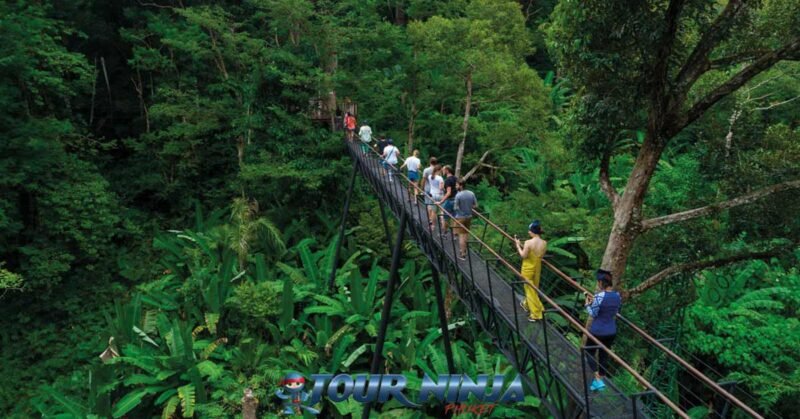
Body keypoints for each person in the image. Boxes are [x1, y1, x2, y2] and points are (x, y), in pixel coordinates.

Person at [584, 269, 622, 392]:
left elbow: (593, 313)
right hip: (611, 331)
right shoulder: (617, 296)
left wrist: (587, 304)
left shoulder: (599, 296)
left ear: (601, 282)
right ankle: (600, 380)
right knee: (603, 355)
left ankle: (597, 379)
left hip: (598, 331)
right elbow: (614, 311)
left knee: (589, 352)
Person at [514, 221, 547, 322]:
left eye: (529, 231)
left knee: (529, 290)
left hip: (527, 269)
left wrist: (518, 246)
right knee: (533, 289)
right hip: (537, 268)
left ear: (533, 232)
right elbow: (539, 255)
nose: (528, 232)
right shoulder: (544, 243)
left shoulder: (528, 242)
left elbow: (524, 255)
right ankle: (526, 304)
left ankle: (536, 314)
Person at [452, 178, 477, 260]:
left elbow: (455, 207)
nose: (456, 186)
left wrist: (461, 210)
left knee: (461, 236)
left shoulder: (458, 195)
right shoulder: (471, 193)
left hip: (460, 217)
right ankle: (464, 250)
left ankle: (462, 254)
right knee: (466, 234)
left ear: (461, 185)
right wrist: (468, 207)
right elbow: (475, 205)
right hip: (469, 217)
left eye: (457, 185)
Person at [437, 166, 457, 236]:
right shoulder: (455, 178)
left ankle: (444, 233)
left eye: (443, 170)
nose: (442, 171)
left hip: (449, 200)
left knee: (445, 217)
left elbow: (449, 193)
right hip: (456, 200)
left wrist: (441, 201)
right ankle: (454, 234)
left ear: (447, 170)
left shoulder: (448, 180)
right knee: (454, 217)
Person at [426, 164, 444, 231]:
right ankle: (443, 225)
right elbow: (441, 188)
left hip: (432, 195)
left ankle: (432, 226)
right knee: (442, 210)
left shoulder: (430, 176)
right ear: (439, 170)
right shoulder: (440, 178)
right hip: (439, 195)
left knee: (434, 211)